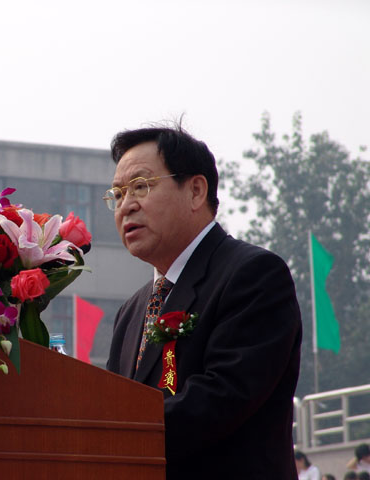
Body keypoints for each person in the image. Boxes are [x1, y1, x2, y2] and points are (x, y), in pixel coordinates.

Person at [105, 126, 302, 479]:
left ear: (196, 190)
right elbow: (114, 401)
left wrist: (114, 435)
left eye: (141, 186)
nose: (126, 206)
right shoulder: (131, 310)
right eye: (118, 194)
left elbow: (222, 397)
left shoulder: (253, 274)